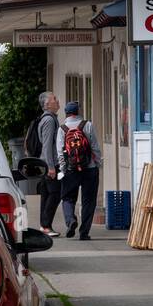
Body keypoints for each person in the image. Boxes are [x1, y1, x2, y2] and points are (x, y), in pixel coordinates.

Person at [57, 101, 103, 240]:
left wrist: (63, 169)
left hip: (71, 170)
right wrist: (97, 163)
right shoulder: (87, 125)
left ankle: (71, 220)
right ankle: (84, 232)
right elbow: (95, 147)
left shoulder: (62, 129)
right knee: (89, 200)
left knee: (68, 198)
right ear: (78, 111)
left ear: (66, 113)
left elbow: (60, 152)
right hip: (89, 169)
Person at [26, 91, 63, 237]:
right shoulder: (49, 120)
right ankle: (46, 225)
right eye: (54, 98)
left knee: (47, 194)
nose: (57, 100)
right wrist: (51, 167)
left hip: (44, 163)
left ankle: (44, 226)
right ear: (47, 104)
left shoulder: (47, 118)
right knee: (55, 193)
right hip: (49, 164)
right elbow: (47, 145)